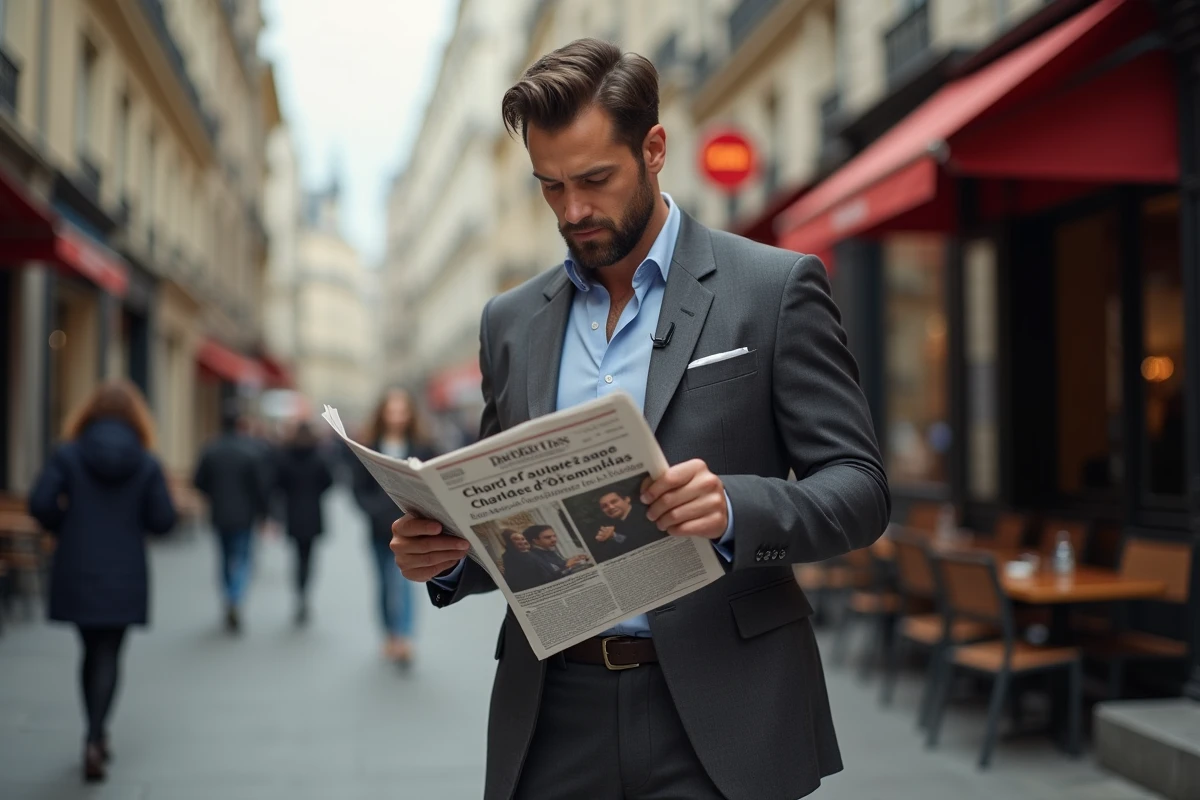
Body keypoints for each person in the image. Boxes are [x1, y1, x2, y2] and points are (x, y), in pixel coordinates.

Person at [390, 39, 889, 800]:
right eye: (550, 187)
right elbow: (509, 515)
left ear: (654, 149)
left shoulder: (773, 287)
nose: (574, 210)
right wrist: (452, 553)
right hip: (552, 713)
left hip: (724, 712)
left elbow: (859, 490)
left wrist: (735, 507)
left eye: (594, 179)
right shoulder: (510, 321)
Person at [28, 380, 177, 784]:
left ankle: (93, 733)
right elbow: (163, 520)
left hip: (76, 564)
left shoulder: (69, 454)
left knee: (89, 649)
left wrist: (66, 525)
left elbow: (39, 503)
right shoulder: (146, 461)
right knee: (110, 653)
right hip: (125, 568)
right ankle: (96, 735)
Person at [351, 388, 435, 665]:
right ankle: (389, 633)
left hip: (412, 527)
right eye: (392, 410)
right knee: (384, 584)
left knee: (406, 582)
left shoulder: (423, 446)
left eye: (402, 411)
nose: (397, 417)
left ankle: (404, 638)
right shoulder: (369, 445)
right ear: (382, 413)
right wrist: (373, 511)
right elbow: (358, 487)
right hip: (378, 529)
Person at [194, 409, 271, 633]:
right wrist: (264, 514)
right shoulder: (250, 451)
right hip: (244, 515)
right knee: (243, 557)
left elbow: (199, 481)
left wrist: (214, 495)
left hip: (219, 513)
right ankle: (235, 596)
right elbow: (261, 487)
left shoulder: (211, 449)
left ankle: (228, 593)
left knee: (225, 557)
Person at [273, 421, 334, 626]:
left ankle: (299, 592)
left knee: (296, 557)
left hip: (293, 512)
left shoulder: (285, 456)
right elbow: (329, 481)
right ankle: (305, 593)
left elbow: (278, 482)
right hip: (313, 513)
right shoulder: (319, 456)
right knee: (309, 557)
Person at [588, 489, 663, 562]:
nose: (611, 507)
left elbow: (641, 542)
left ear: (627, 499)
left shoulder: (645, 513)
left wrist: (614, 536)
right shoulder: (612, 524)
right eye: (605, 506)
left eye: (614, 501)